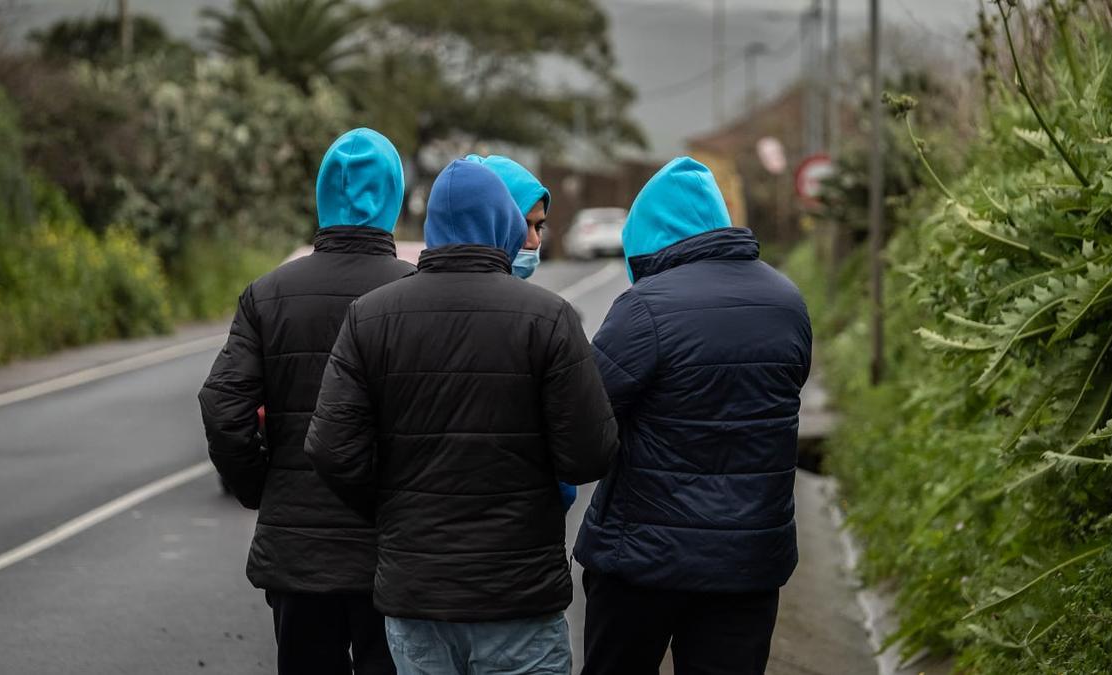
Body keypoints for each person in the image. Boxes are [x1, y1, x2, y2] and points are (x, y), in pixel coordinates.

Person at [304, 159, 618, 675]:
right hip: (518, 591)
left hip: (416, 588)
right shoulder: (549, 317)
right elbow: (590, 454)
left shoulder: (370, 316)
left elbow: (329, 447)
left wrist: (389, 505)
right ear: (503, 224)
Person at [573, 157, 812, 675]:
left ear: (652, 238)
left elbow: (587, 418)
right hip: (749, 564)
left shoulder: (645, 307)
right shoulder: (787, 301)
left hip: (642, 561)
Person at [198, 128, 413, 675]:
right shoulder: (417, 294)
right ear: (394, 196)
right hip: (394, 548)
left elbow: (224, 407)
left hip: (298, 552)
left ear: (322, 196)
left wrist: (261, 486)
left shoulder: (268, 293)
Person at [464, 153, 578, 511]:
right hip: (524, 532)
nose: (531, 240)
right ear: (489, 218)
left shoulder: (544, 314)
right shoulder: (547, 320)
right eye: (521, 224)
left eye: (538, 227)